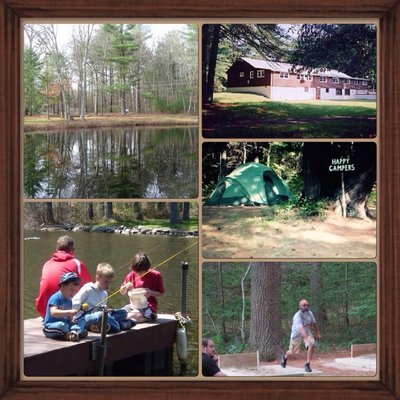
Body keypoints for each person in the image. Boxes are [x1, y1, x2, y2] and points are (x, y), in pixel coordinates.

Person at [35, 235, 93, 318]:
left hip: (44, 312)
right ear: (73, 250)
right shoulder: (77, 264)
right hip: (65, 313)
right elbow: (89, 286)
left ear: (56, 250)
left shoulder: (47, 264)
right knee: (90, 290)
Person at [72, 263, 136, 333]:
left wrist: (107, 310)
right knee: (101, 315)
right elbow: (75, 302)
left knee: (123, 312)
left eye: (110, 282)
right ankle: (120, 326)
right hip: (84, 319)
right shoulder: (88, 289)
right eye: (105, 282)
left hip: (100, 319)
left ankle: (103, 326)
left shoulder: (104, 293)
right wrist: (73, 315)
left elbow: (103, 309)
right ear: (98, 278)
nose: (108, 285)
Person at [120, 252, 165, 323]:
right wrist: (125, 287)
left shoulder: (156, 275)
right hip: (132, 306)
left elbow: (161, 293)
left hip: (149, 306)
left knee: (131, 316)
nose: (139, 274)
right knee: (119, 314)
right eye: (137, 271)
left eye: (142, 271)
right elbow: (122, 292)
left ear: (147, 268)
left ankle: (150, 316)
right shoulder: (131, 275)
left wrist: (151, 293)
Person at [42, 272, 87, 341]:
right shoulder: (55, 298)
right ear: (62, 286)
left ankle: (73, 333)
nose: (73, 293)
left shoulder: (69, 301)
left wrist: (72, 319)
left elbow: (69, 318)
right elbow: (53, 312)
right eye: (71, 289)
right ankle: (75, 332)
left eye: (75, 291)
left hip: (65, 325)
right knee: (62, 325)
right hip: (51, 326)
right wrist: (69, 312)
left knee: (81, 320)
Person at [280, 299, 321, 373]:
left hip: (306, 332)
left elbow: (314, 323)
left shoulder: (310, 313)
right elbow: (301, 329)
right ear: (300, 306)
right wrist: (306, 338)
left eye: (307, 305)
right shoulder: (297, 316)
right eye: (304, 305)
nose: (306, 307)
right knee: (291, 352)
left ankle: (307, 364)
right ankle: (285, 357)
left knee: (311, 344)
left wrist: (317, 333)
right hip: (297, 335)